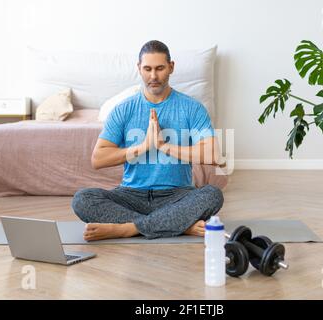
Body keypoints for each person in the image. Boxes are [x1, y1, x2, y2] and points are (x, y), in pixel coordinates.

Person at [71, 40, 224, 240]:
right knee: (82, 199)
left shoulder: (191, 108)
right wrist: (144, 146)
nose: (153, 76)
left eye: (160, 68)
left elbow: (213, 155)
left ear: (171, 67)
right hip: (131, 195)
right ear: (139, 69)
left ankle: (129, 228)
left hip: (177, 195)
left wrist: (163, 145)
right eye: (147, 69)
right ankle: (176, 224)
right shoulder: (123, 109)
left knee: (213, 195)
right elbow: (98, 159)